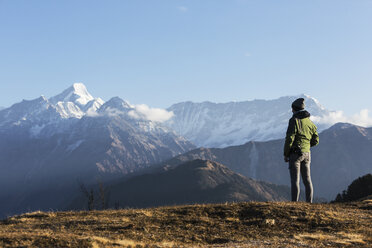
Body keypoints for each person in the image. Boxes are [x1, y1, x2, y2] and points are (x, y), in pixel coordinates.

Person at [284, 98, 319, 203]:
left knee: (295, 180)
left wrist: (286, 153)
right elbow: (316, 140)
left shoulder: (294, 120)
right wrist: (306, 146)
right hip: (307, 154)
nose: (291, 111)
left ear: (294, 109)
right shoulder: (310, 122)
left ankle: (295, 203)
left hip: (295, 154)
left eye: (292, 109)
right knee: (307, 180)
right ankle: (309, 202)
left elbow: (290, 138)